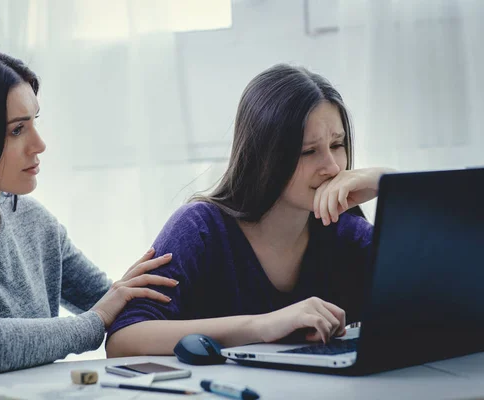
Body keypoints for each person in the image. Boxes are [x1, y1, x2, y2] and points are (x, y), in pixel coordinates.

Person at [0, 46, 177, 400]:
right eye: (16, 131)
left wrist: (243, 323)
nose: (39, 144)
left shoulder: (34, 223)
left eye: (34, 122)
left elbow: (117, 304)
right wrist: (96, 321)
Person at [106, 64, 393, 357]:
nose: (332, 166)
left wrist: (389, 183)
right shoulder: (200, 228)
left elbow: (435, 298)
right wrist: (262, 326)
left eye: (337, 144)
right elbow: (123, 340)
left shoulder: (344, 230)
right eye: (309, 151)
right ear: (264, 157)